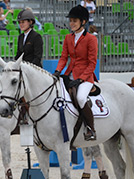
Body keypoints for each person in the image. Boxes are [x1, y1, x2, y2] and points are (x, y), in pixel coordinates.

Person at [54, 5, 98, 141]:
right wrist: (57, 71)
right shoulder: (68, 38)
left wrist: (81, 79)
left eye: (74, 21)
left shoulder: (91, 39)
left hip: (85, 77)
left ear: (83, 22)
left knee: (80, 98)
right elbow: (63, 57)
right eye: (71, 20)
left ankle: (91, 129)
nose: (71, 23)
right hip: (69, 74)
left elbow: (92, 63)